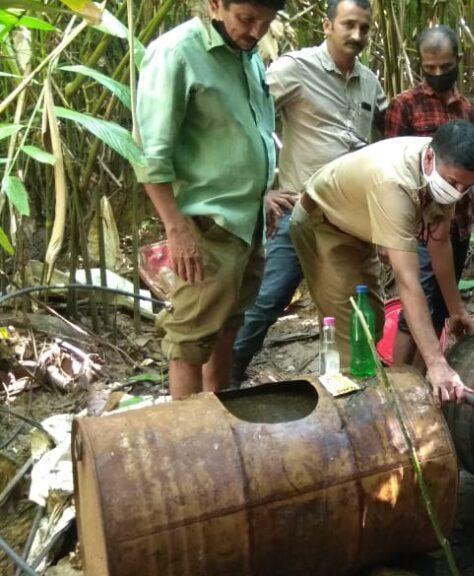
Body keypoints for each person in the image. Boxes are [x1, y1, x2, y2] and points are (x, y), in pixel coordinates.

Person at [230, 0, 387, 384]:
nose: (356, 35)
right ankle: (225, 382)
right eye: (348, 25)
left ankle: (352, 385)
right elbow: (248, 119)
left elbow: (383, 140)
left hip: (350, 220)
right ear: (327, 25)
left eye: (364, 28)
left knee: (358, 306)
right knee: (267, 301)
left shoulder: (369, 82)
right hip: (298, 209)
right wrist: (262, 190)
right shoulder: (296, 68)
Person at [135, 0, 283, 400]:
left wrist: (262, 193)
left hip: (246, 223)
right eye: (246, 19)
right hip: (206, 223)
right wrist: (176, 227)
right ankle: (187, 431)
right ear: (216, 4)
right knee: (188, 339)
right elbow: (150, 155)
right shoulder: (176, 53)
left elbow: (248, 133)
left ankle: (217, 411)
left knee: (229, 324)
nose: (256, 32)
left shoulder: (248, 54)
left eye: (265, 23)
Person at [291, 120, 474, 403]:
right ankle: (352, 414)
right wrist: (436, 363)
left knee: (372, 320)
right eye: (454, 182)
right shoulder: (395, 182)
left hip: (358, 227)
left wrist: (456, 309)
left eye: (466, 187)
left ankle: (368, 401)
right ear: (429, 158)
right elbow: (407, 280)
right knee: (354, 332)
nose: (457, 191)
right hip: (324, 223)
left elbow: (439, 241)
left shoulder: (445, 169)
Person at [384, 25, 474, 367]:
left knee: (439, 309)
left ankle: (422, 380)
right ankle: (399, 382)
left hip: (458, 222)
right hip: (420, 227)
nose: (438, 74)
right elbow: (391, 167)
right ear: (420, 65)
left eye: (445, 66)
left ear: (458, 61)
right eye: (430, 67)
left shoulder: (467, 109)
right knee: (416, 305)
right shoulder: (404, 106)